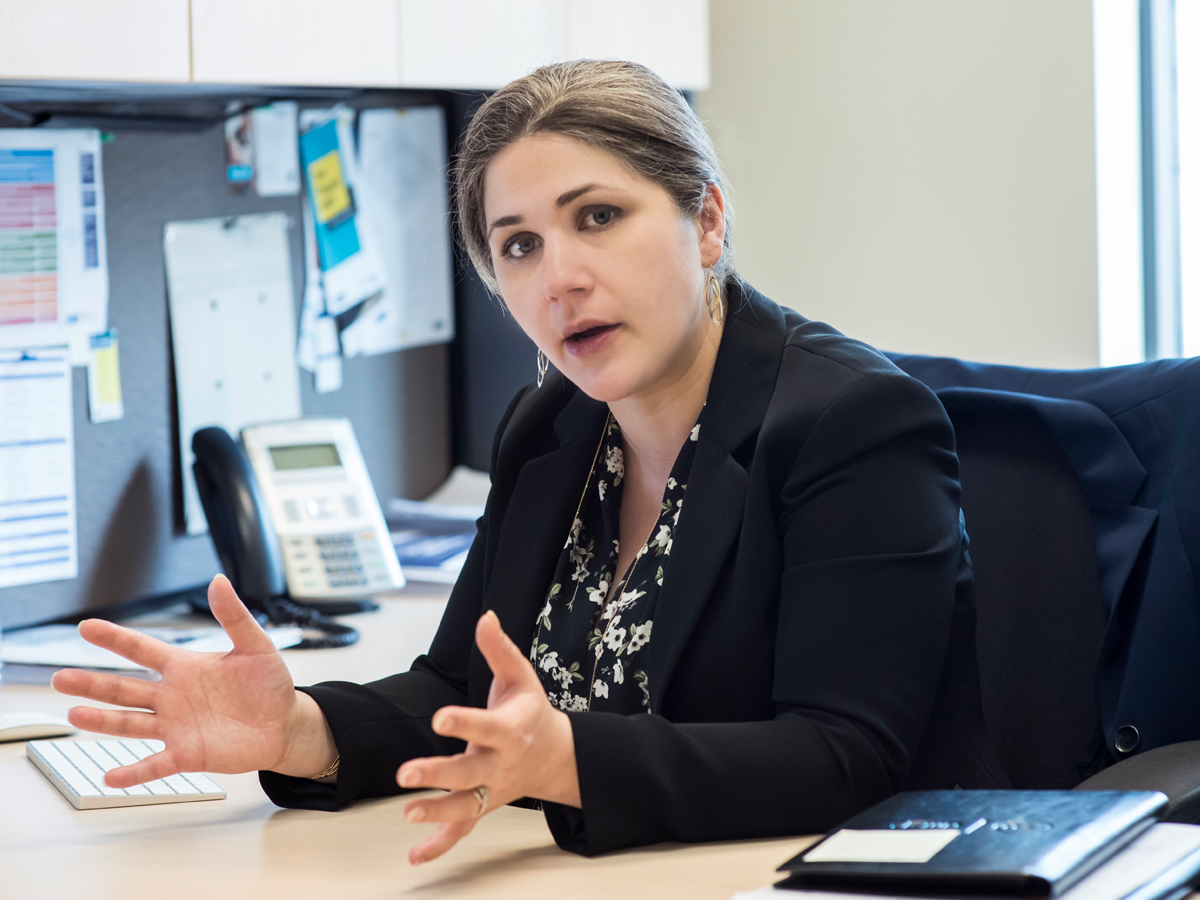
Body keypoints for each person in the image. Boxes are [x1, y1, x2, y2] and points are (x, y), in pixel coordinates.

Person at [53, 60, 1007, 865]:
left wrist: (567, 763)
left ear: (706, 221)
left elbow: (846, 756)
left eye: (598, 217)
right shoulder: (550, 427)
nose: (561, 278)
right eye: (519, 246)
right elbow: (461, 696)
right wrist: (302, 728)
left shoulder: (853, 422)